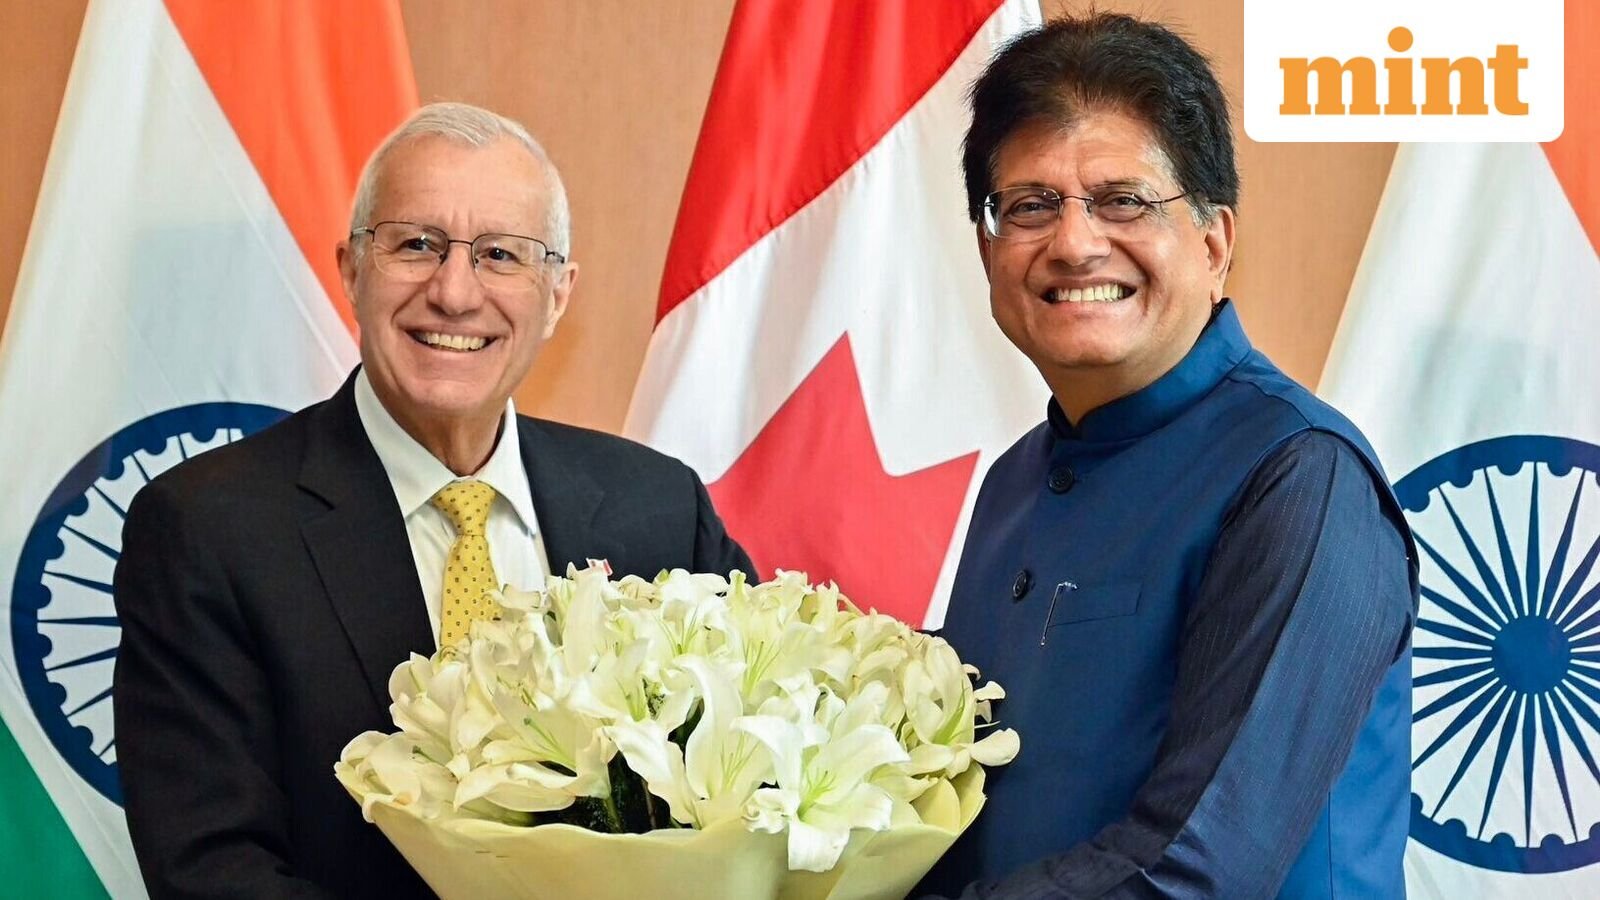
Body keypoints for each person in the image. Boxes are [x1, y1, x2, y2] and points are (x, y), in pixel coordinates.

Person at [112, 102, 753, 899]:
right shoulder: (208, 529)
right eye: (416, 244)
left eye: (500, 255)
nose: (453, 292)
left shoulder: (660, 508)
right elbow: (212, 873)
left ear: (558, 294)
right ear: (352, 269)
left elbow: (761, 786)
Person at [923, 15, 1418, 899]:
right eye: (1030, 205)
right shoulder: (1012, 482)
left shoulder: (1301, 478)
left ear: (1214, 243)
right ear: (988, 248)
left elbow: (1198, 869)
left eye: (1123, 200)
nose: (1075, 243)